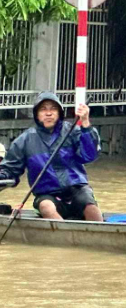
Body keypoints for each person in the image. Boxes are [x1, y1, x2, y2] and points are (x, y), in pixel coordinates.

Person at [0, 91, 103, 221]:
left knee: (90, 206)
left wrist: (85, 123)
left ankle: (99, 232)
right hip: (47, 195)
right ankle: (63, 232)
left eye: (53, 109)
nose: (48, 113)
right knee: (46, 207)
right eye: (43, 109)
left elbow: (90, 155)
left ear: (59, 113)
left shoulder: (72, 131)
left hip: (77, 190)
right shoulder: (25, 140)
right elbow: (10, 169)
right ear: (37, 114)